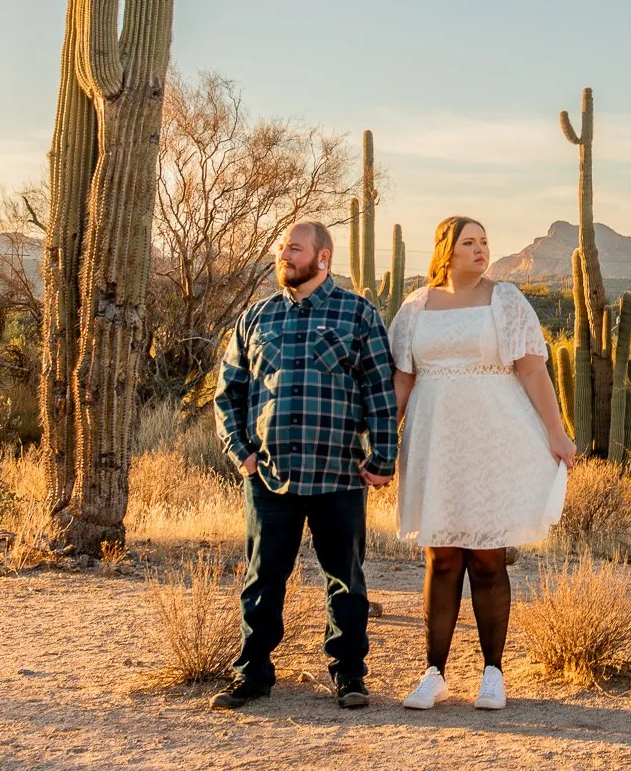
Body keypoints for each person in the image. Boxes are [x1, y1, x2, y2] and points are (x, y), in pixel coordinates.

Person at [388, 215, 576, 711]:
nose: (480, 249)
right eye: (469, 242)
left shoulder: (506, 299)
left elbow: (532, 370)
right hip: (435, 439)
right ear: (445, 251)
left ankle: (493, 673)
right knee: (442, 554)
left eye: (485, 242)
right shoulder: (415, 306)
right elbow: (402, 382)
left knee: (488, 555)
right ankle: (434, 674)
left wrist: (557, 434)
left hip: (493, 436)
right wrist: (386, 438)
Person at [210, 220, 398, 710]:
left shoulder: (358, 314)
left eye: (293, 248)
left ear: (322, 258)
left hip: (339, 474)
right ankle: (252, 675)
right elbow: (228, 393)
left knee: (345, 581)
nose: (283, 255)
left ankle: (349, 675)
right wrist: (241, 453)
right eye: (280, 248)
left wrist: (383, 458)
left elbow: (380, 391)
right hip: (270, 475)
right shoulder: (256, 317)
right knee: (263, 578)